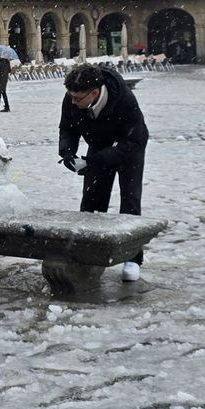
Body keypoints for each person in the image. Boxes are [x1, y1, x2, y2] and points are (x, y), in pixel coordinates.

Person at [58, 63, 150, 281]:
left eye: (78, 98)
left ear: (95, 92)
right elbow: (67, 128)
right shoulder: (73, 98)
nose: (73, 102)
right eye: (71, 96)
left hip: (129, 146)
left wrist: (95, 161)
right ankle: (86, 253)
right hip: (99, 142)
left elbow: (134, 140)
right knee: (91, 199)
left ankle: (132, 258)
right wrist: (67, 152)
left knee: (130, 200)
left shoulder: (125, 100)